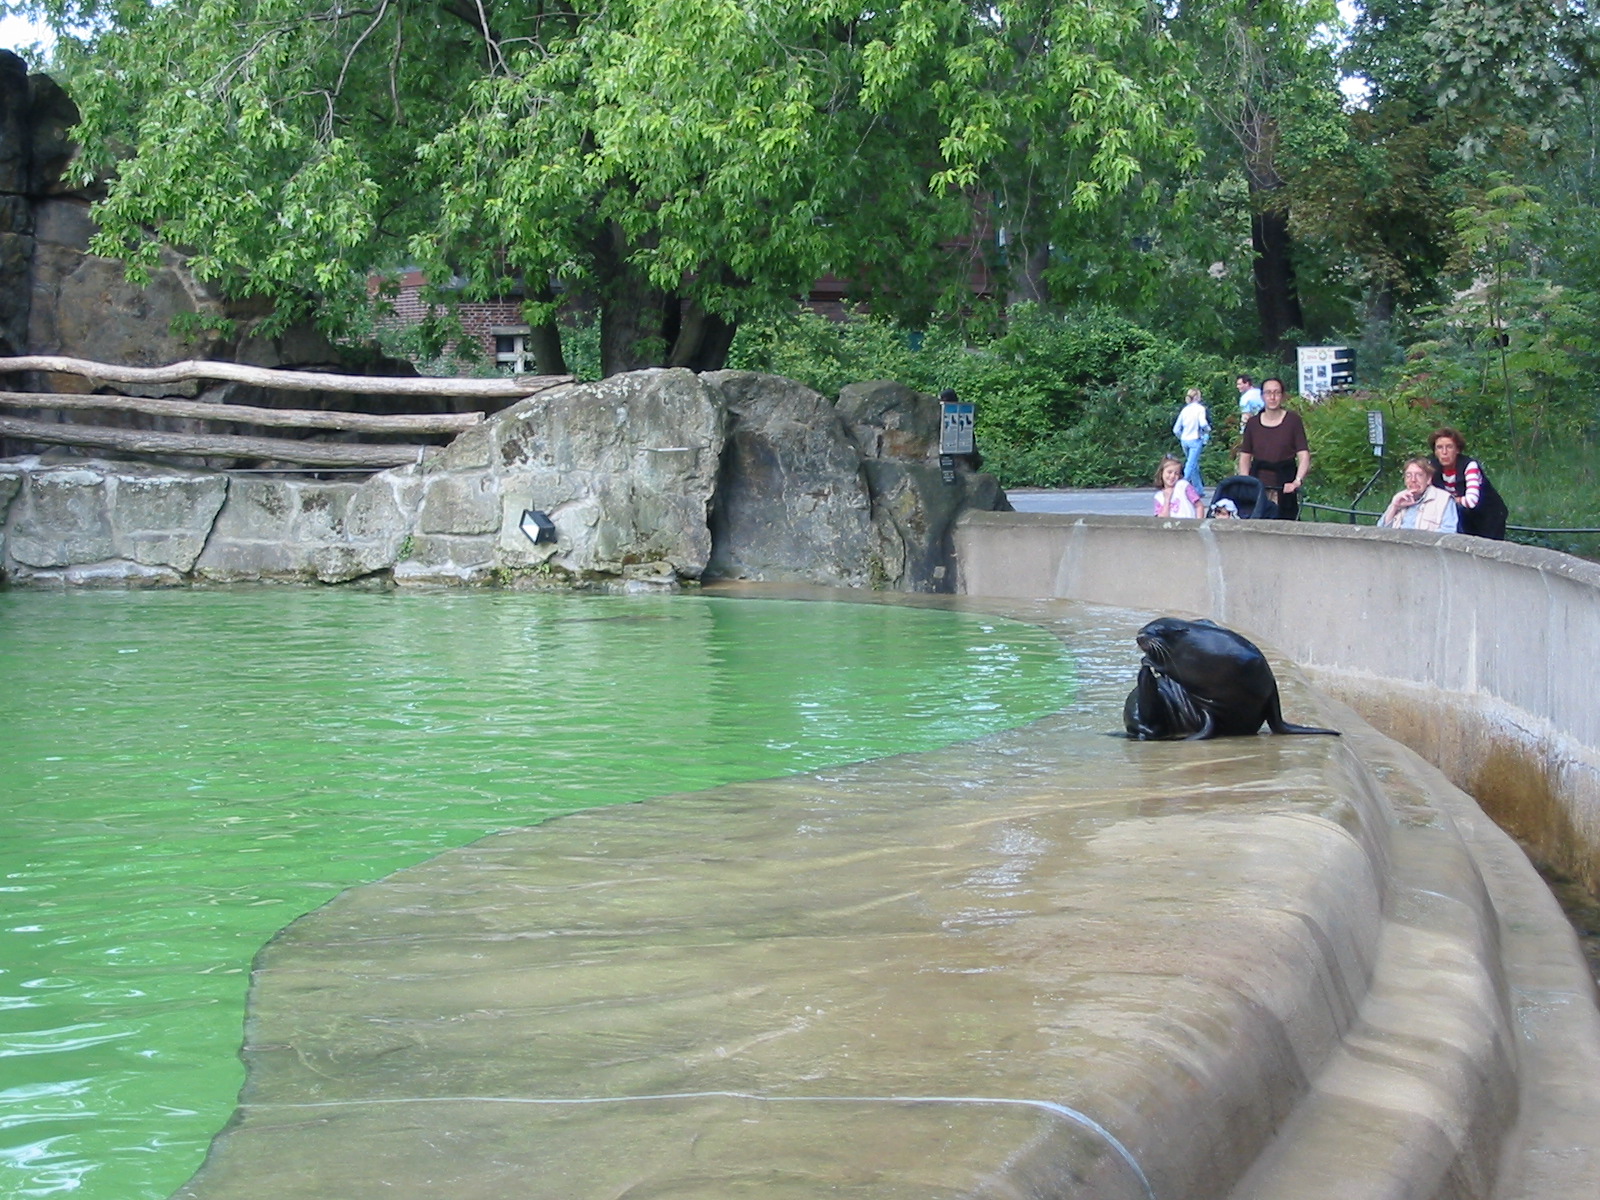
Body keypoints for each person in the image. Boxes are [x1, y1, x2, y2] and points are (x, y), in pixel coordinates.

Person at [1237, 378, 1310, 521]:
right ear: (1262, 396)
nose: (1272, 397)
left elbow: (1303, 454)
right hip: (1258, 482)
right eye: (1268, 393)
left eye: (1277, 393)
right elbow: (1245, 455)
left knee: (1286, 521)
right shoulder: (1253, 423)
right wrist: (1246, 481)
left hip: (1285, 481)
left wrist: (1297, 481)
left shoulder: (1293, 421)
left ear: (1282, 396)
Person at [1428, 427, 1508, 540]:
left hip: (1488, 517)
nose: (1444, 452)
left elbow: (1471, 501)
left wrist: (1446, 500)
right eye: (1439, 447)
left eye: (1449, 447)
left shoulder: (1470, 466)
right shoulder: (1431, 467)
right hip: (1462, 518)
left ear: (1457, 450)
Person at [1378, 457, 1460, 532]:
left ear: (1428, 479)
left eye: (1419, 475)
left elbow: (1449, 532)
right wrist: (1394, 506)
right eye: (1408, 475)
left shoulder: (1444, 500)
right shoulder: (1400, 498)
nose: (1413, 480)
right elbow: (1380, 532)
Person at [1172, 387, 1210, 492]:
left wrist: (1181, 437)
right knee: (1191, 464)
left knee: (1193, 464)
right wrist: (1208, 430)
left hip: (1184, 440)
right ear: (1197, 397)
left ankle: (1198, 489)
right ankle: (1181, 485)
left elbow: (1176, 429)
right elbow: (1203, 423)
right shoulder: (1200, 409)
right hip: (1195, 439)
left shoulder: (1185, 410)